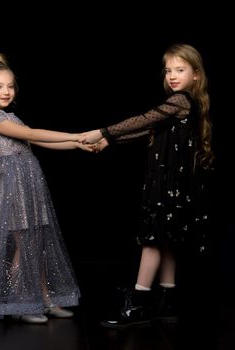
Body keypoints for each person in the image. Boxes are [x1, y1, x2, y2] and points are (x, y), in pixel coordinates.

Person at [79, 43, 215, 328]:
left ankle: (139, 303)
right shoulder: (180, 104)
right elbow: (148, 129)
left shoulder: (181, 101)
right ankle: (168, 298)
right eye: (168, 70)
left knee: (153, 237)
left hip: (170, 186)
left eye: (180, 69)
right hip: (171, 184)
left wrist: (101, 131)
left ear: (196, 75)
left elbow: (144, 119)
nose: (172, 76)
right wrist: (109, 141)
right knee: (165, 239)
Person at [0, 52, 93, 324]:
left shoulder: (10, 116)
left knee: (37, 243)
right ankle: (22, 304)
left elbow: (41, 143)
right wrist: (76, 135)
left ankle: (42, 299)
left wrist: (80, 144)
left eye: (10, 86)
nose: (7, 91)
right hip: (11, 186)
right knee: (25, 245)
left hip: (27, 183)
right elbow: (33, 134)